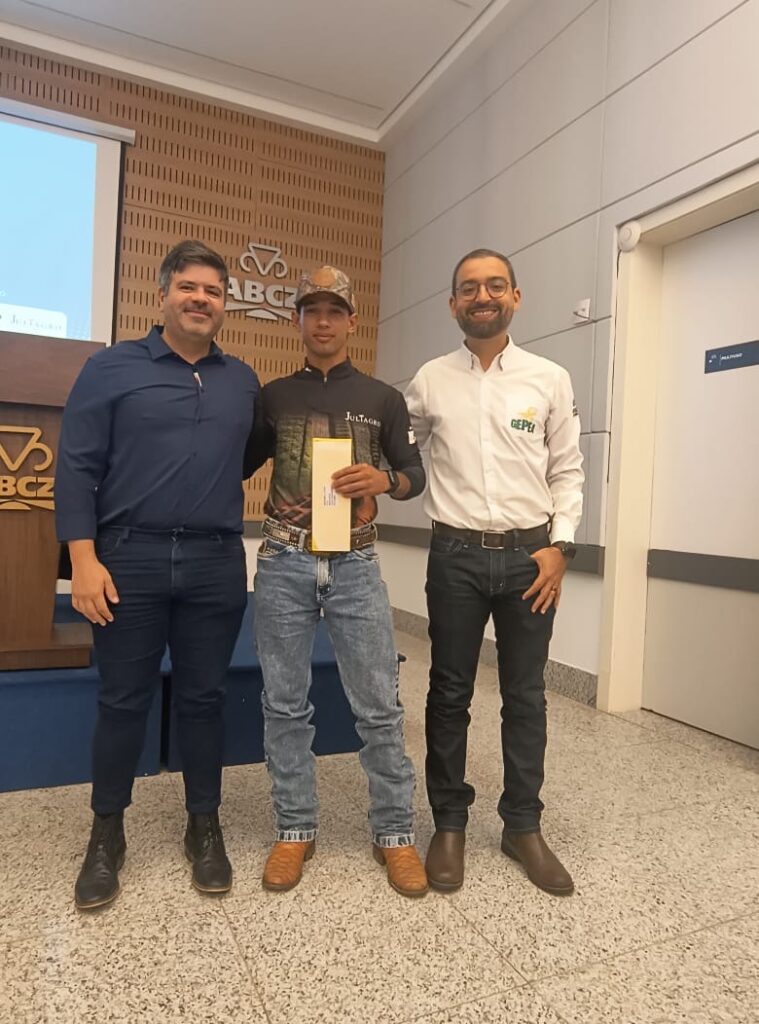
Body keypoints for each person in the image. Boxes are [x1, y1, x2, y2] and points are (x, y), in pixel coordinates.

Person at [56, 240, 259, 909]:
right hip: (127, 559)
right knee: (122, 701)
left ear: (224, 305)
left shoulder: (242, 381)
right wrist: (82, 559)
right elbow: (77, 466)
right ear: (163, 293)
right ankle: (106, 834)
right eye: (189, 287)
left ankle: (204, 825)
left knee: (205, 699)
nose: (201, 299)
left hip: (215, 561)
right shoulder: (110, 367)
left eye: (214, 291)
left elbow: (246, 457)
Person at [405, 248, 584, 896]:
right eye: (469, 288)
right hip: (453, 556)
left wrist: (561, 547)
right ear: (453, 303)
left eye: (495, 286)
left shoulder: (549, 379)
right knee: (448, 691)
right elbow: (399, 452)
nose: (482, 296)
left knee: (526, 695)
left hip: (530, 560)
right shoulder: (429, 380)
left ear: (515, 296)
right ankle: (448, 823)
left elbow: (567, 470)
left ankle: (522, 827)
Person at [246, 266, 428, 897]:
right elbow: (237, 461)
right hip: (284, 559)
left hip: (355, 563)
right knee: (284, 704)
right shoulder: (273, 397)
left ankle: (395, 834)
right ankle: (294, 828)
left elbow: (414, 474)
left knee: (379, 705)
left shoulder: (382, 398)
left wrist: (385, 481)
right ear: (298, 320)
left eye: (333, 311)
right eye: (311, 311)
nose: (322, 322)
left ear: (351, 321)